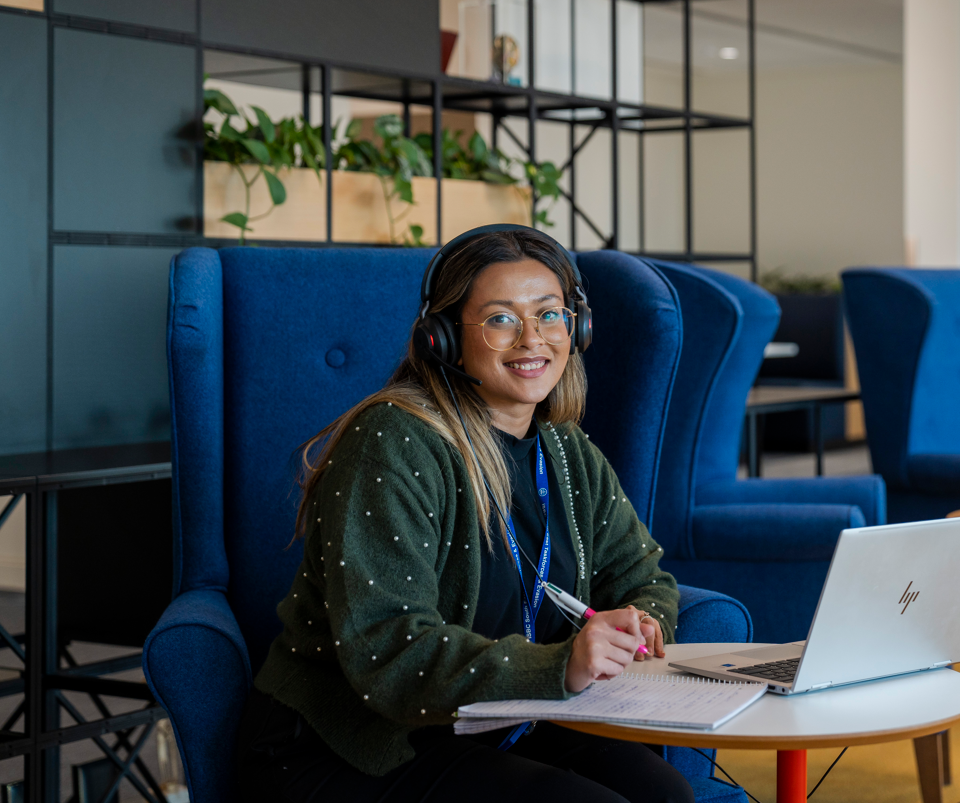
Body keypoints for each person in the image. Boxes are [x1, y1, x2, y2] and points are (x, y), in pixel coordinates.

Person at [234, 226, 691, 803]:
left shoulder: (567, 452)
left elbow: (644, 576)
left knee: (664, 793)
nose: (534, 339)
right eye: (501, 319)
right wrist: (559, 665)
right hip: (352, 746)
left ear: (578, 329)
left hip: (497, 722)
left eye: (550, 315)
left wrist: (642, 620)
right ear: (443, 338)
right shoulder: (393, 443)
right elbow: (389, 649)